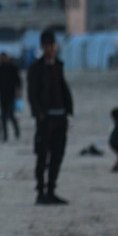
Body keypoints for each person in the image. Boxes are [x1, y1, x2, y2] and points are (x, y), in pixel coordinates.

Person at [27, 28, 73, 205]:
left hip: (60, 116)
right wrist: (39, 114)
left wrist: (68, 111)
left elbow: (62, 88)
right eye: (47, 45)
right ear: (42, 47)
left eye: (52, 45)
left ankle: (51, 190)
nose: (50, 48)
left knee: (57, 156)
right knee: (42, 156)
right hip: (46, 119)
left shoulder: (58, 65)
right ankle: (41, 192)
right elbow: (32, 94)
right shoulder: (36, 68)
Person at [0, 52, 22, 141]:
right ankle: (5, 135)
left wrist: (18, 91)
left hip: (11, 94)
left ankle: (16, 131)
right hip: (2, 95)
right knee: (3, 116)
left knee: (11, 114)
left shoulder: (12, 67)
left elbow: (18, 80)